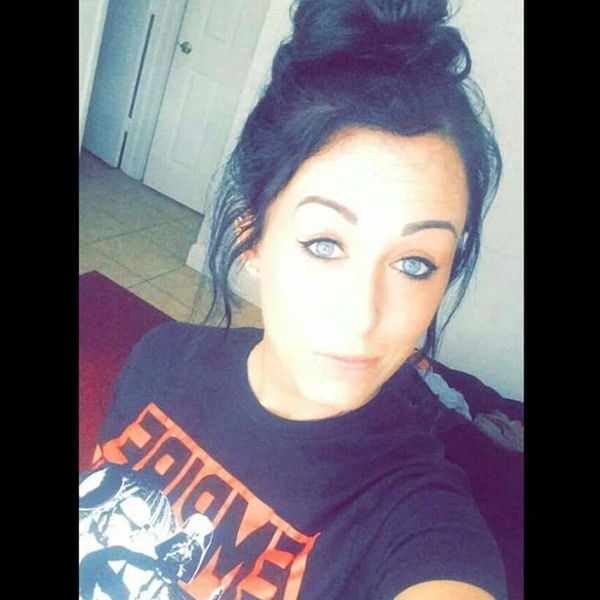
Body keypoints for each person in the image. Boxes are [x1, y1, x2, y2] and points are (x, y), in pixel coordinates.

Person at [82, 0, 523, 598]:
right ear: (252, 239)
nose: (363, 316)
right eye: (325, 244)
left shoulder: (418, 523)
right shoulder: (160, 358)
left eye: (415, 263)